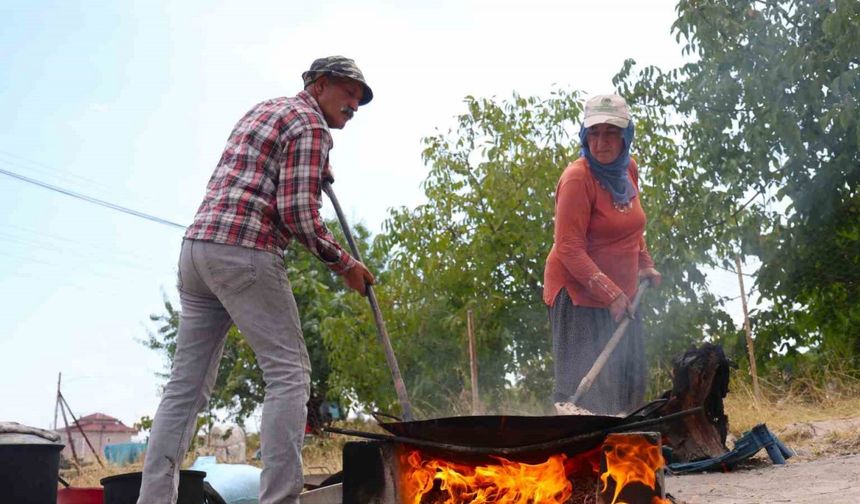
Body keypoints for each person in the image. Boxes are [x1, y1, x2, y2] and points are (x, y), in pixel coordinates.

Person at [136, 56, 376, 504]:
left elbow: (256, 175)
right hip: (245, 251)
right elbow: (298, 214)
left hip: (197, 250)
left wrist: (313, 170)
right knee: (289, 373)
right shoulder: (311, 127)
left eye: (360, 99)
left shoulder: (266, 110)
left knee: (185, 389)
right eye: (349, 93)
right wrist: (344, 264)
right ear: (320, 85)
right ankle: (280, 500)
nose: (355, 104)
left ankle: (152, 500)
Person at [543, 94, 661, 417]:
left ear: (626, 136)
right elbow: (568, 247)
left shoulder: (628, 171)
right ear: (584, 136)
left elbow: (632, 226)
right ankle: (585, 458)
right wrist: (609, 293)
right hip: (579, 294)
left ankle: (624, 457)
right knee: (587, 398)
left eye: (610, 133)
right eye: (594, 133)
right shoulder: (577, 179)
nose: (601, 142)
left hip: (621, 294)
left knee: (627, 383)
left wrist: (644, 264)